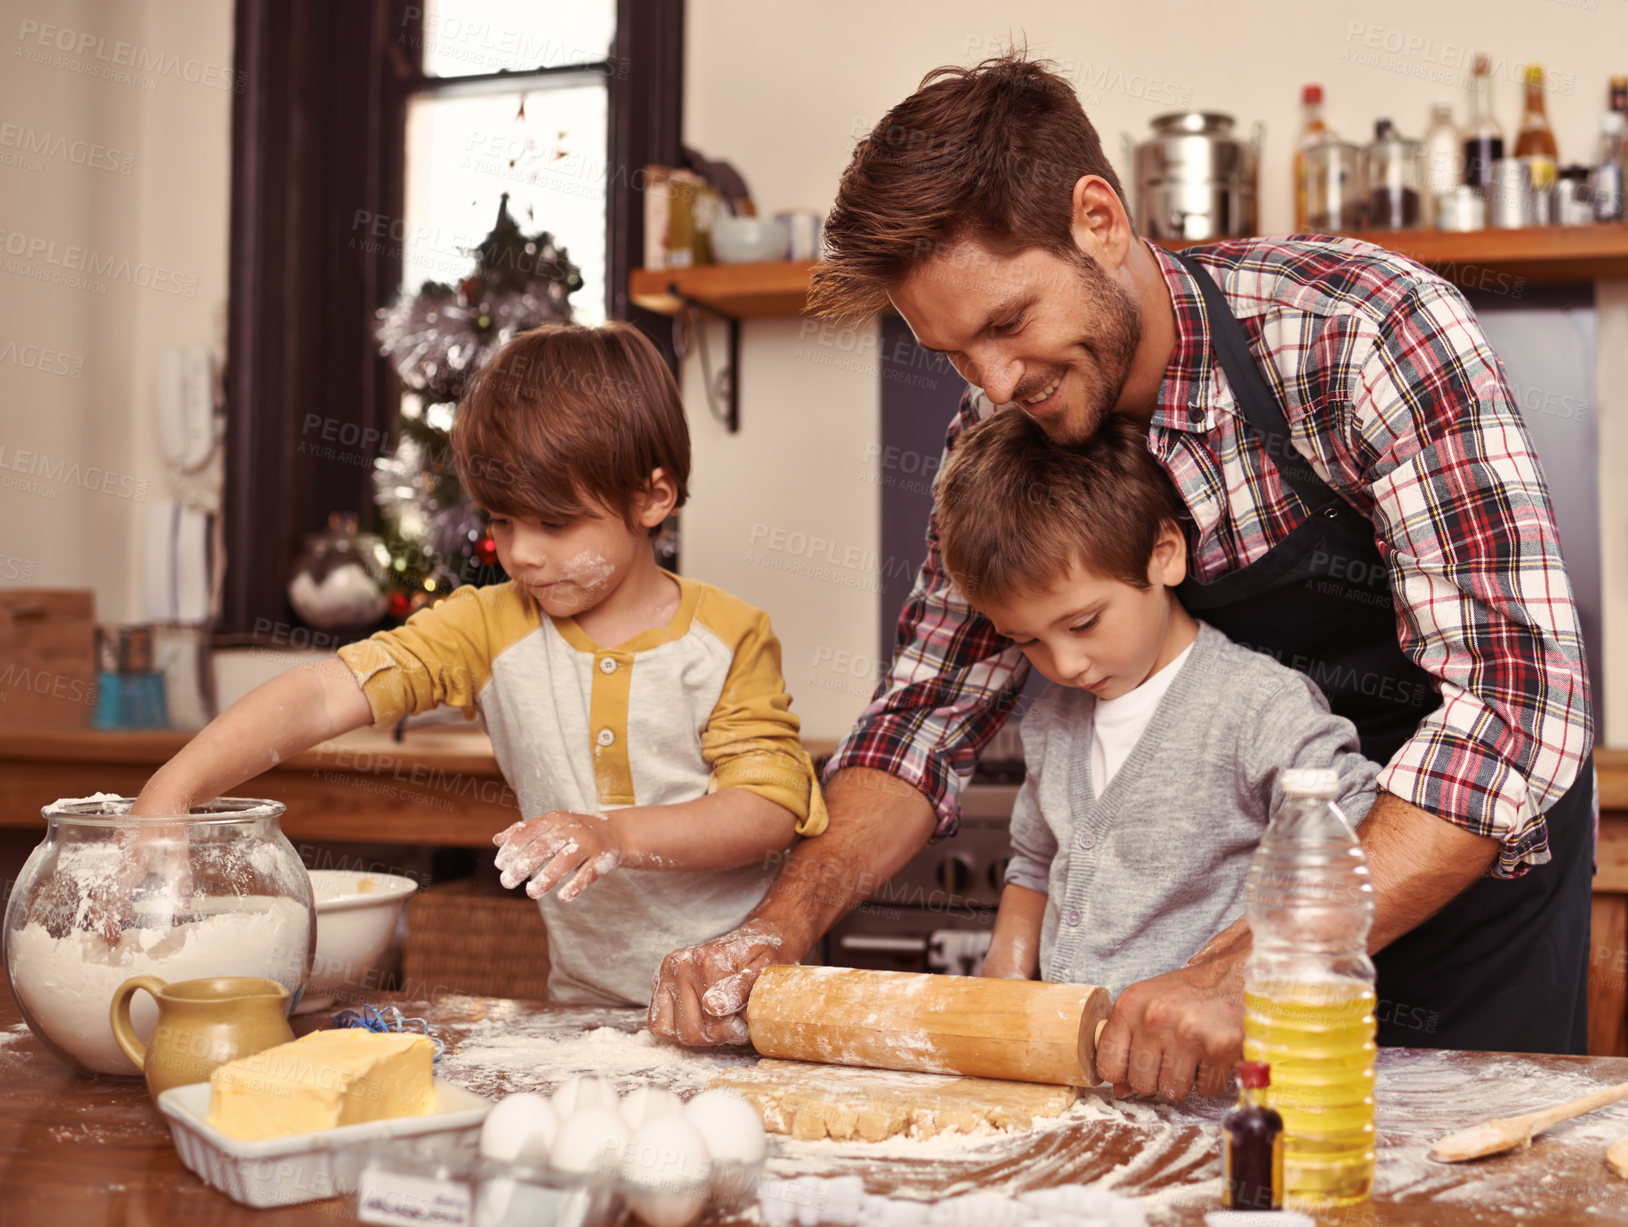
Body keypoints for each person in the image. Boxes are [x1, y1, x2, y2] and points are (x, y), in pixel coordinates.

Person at [649, 52, 1595, 1100]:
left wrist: (1251, 965)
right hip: (1213, 945)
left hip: (1450, 896)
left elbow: (1514, 709)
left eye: (1007, 324)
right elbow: (923, 714)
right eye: (957, 357)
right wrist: (781, 924)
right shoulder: (1010, 417)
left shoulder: (1356, 332)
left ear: (1098, 219)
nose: (996, 385)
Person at [131, 321, 827, 1007]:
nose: (522, 553)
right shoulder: (490, 627)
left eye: (554, 523)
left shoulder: (727, 637)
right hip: (585, 1007)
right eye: (502, 521)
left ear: (652, 497)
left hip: (746, 996)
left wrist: (616, 834)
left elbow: (765, 811)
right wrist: (174, 788)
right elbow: (321, 696)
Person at [932, 410, 1377, 992]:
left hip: (1217, 1070)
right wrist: (1005, 983)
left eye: (1084, 623)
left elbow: (1353, 831)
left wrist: (1235, 976)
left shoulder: (1258, 708)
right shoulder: (1052, 726)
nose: (1064, 665)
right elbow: (1035, 865)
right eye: (1027, 641)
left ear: (1164, 553)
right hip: (1078, 1062)